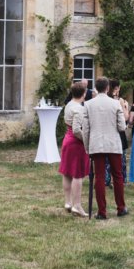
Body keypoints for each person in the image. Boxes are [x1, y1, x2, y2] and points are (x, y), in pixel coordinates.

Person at [82, 77, 128, 220]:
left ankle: (102, 212)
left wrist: (87, 147)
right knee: (118, 176)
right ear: (108, 88)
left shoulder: (88, 104)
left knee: (99, 177)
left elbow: (85, 129)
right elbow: (122, 126)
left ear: (96, 87)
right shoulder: (115, 104)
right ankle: (121, 208)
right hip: (113, 143)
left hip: (96, 143)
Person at [60, 83, 90, 216]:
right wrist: (86, 140)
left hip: (67, 139)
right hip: (76, 143)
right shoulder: (79, 108)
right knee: (77, 174)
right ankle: (77, 205)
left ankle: (68, 202)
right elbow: (77, 129)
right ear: (83, 94)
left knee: (67, 172)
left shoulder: (69, 105)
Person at [105, 79, 130, 187]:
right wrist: (125, 107)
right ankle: (120, 179)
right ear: (117, 88)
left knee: (106, 157)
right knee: (120, 157)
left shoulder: (104, 99)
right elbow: (126, 117)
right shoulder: (119, 101)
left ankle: (106, 179)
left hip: (106, 131)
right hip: (117, 132)